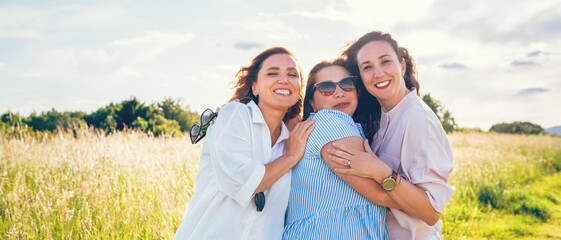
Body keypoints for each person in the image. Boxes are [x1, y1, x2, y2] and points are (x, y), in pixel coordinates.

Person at [173, 47, 315, 240]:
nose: (284, 79)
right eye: (272, 73)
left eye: (292, 74)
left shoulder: (292, 138)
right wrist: (290, 157)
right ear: (255, 87)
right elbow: (244, 182)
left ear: (299, 89)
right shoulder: (234, 116)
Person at [324, 31, 455, 240]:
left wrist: (381, 172)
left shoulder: (417, 118)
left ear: (402, 66)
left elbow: (431, 212)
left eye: (385, 62)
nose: (378, 73)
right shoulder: (382, 117)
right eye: (367, 67)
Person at [283, 58, 393, 240]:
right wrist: (424, 202)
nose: (339, 93)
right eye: (326, 88)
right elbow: (380, 195)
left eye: (347, 84)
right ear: (312, 101)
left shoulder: (340, 127)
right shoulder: (330, 122)